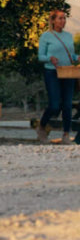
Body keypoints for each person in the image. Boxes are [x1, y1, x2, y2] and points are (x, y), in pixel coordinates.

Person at [36, 10, 78, 144]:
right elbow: (40, 57)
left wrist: (77, 58)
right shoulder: (46, 36)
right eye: (60, 18)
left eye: (64, 18)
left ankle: (66, 134)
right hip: (52, 72)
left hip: (68, 72)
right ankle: (42, 126)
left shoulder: (69, 36)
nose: (63, 21)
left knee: (67, 105)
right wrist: (50, 58)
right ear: (53, 20)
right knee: (54, 105)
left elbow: (71, 56)